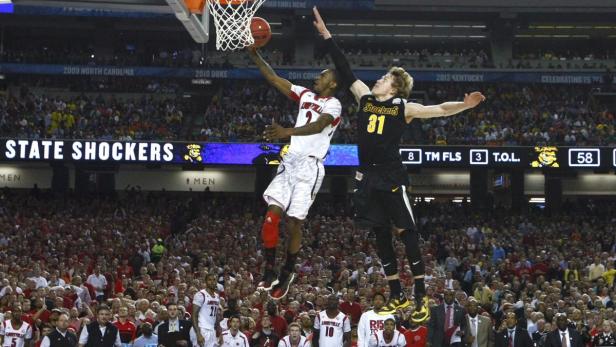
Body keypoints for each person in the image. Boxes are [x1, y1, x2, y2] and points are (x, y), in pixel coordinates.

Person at [312, 6, 485, 320]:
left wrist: (465, 105)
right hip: (366, 176)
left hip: (391, 174)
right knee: (379, 234)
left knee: (406, 232)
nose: (377, 80)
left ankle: (420, 296)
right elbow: (345, 68)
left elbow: (440, 109)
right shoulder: (364, 97)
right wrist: (328, 37)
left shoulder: (403, 106)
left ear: (393, 86)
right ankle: (396, 294)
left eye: (383, 78)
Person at [247, 45, 342, 300]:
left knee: (293, 223)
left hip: (310, 166)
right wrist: (254, 54)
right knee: (270, 218)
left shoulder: (334, 104)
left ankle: (287, 271)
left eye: (322, 76)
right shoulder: (305, 95)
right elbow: (273, 78)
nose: (316, 78)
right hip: (290, 160)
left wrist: (287, 132)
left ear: (332, 83)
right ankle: (269, 271)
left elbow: (319, 125)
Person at [192, 274, 220, 347]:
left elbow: (216, 315)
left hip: (211, 329)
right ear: (206, 282)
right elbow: (194, 315)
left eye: (214, 280)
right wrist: (198, 333)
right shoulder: (200, 295)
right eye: (209, 280)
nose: (212, 282)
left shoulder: (217, 296)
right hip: (201, 329)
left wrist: (219, 332)